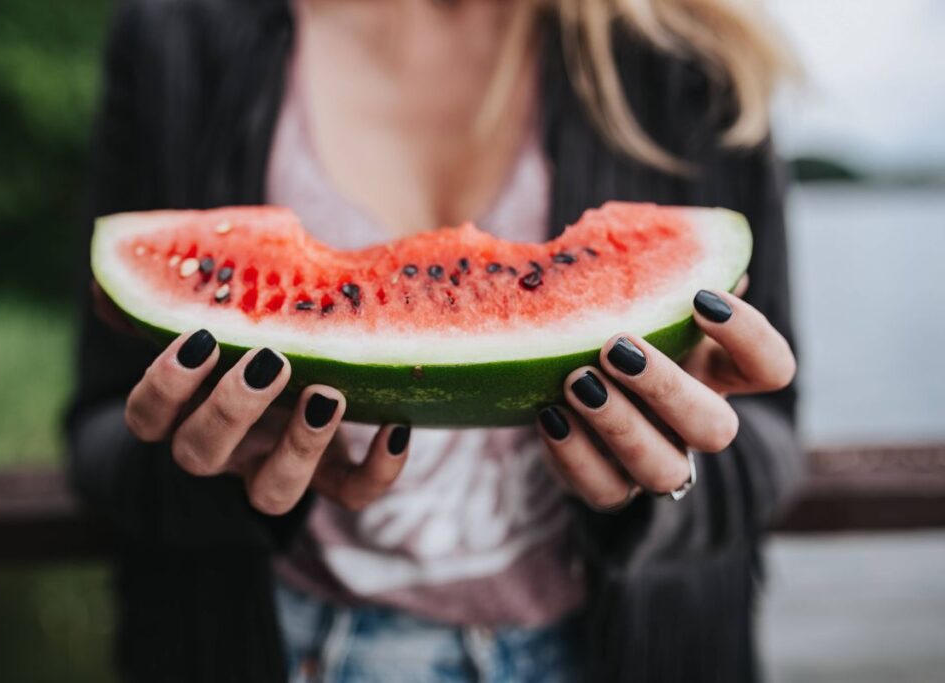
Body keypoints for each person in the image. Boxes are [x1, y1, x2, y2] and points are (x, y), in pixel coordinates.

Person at [67, 0, 801, 681]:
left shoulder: (690, 53)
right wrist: (214, 474)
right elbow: (100, 429)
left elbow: (772, 434)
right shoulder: (177, 35)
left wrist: (667, 484)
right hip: (267, 646)